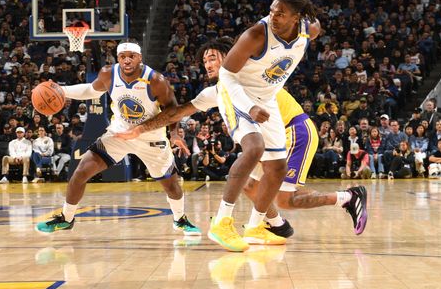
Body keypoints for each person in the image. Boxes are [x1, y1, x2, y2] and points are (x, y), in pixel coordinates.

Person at [117, 36, 367, 245]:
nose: (207, 63)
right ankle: (270, 225)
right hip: (272, 138)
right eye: (204, 60)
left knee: (284, 200)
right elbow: (177, 112)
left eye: (212, 57)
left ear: (229, 57)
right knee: (247, 184)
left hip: (295, 132)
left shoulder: (247, 76)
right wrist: (141, 129)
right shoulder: (216, 90)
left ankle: (347, 197)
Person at [36, 41, 201, 236]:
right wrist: (63, 91)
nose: (127, 60)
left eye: (132, 56)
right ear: (118, 58)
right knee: (80, 172)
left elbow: (172, 109)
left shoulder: (155, 80)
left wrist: (173, 133)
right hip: (119, 134)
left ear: (140, 58)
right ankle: (66, 218)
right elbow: (91, 90)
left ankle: (180, 219)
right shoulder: (108, 73)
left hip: (151, 138)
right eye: (123, 56)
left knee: (171, 185)